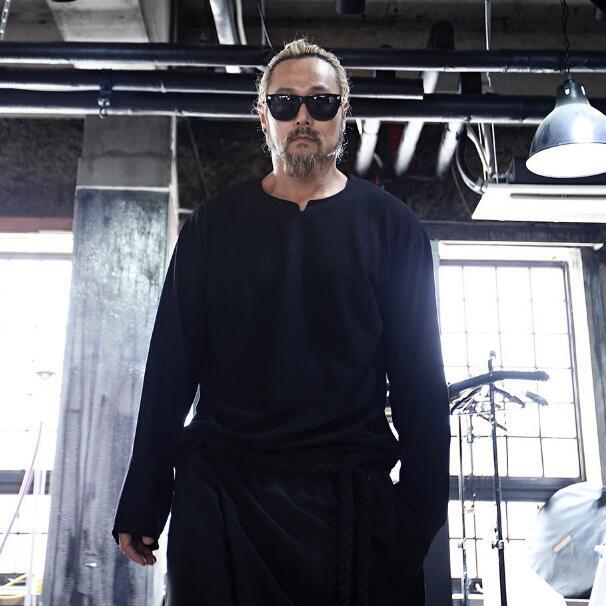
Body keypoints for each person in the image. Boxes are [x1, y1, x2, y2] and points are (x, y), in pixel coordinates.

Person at [112, 37, 451, 606]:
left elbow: (421, 382)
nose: (303, 116)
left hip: (350, 502)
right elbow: (171, 368)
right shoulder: (212, 227)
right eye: (285, 102)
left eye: (321, 102)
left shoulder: (392, 228)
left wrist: (420, 516)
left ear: (343, 114)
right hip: (223, 496)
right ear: (263, 115)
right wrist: (145, 498)